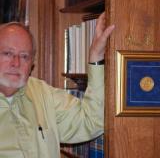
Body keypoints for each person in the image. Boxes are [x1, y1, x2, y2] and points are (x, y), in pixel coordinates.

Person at [0, 12, 114, 158]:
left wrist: (96, 56)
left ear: (32, 64)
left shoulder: (43, 94)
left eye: (24, 56)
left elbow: (91, 121)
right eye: (7, 53)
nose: (16, 63)